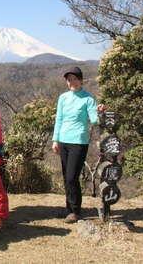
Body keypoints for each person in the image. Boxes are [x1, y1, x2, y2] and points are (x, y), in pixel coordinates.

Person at [52, 67, 105, 224]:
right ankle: (69, 209)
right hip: (63, 140)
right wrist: (55, 140)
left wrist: (99, 111)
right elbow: (59, 119)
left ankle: (75, 211)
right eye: (69, 79)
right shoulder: (63, 98)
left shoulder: (88, 99)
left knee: (71, 177)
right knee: (66, 177)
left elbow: (94, 119)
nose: (72, 82)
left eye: (75, 79)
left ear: (81, 80)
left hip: (79, 141)